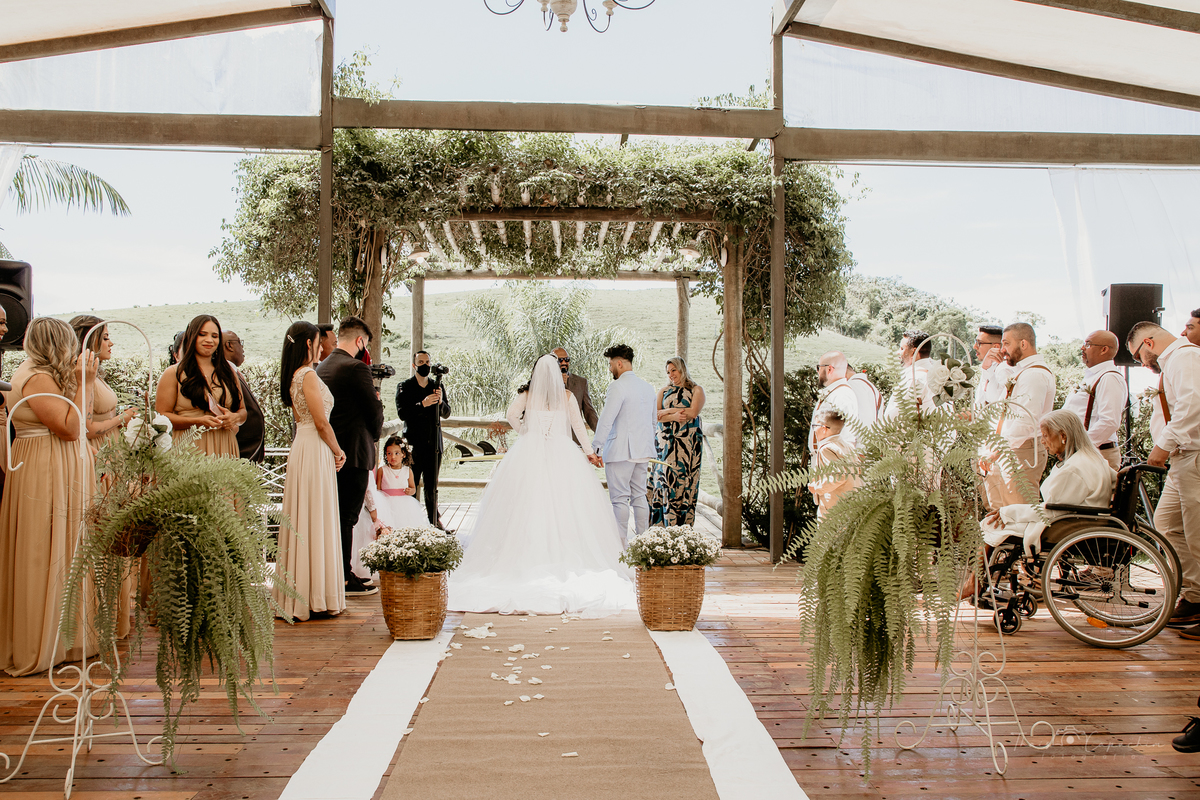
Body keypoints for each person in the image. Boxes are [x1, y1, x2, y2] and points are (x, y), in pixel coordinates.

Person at [448, 354, 634, 616]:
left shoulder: (528, 394)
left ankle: (522, 554)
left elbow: (511, 414)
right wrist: (590, 452)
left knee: (526, 503)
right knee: (566, 505)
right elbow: (579, 427)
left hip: (529, 451)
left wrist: (526, 430)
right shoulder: (567, 397)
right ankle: (562, 554)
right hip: (562, 453)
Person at [0, 318, 100, 676]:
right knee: (43, 550)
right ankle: (39, 642)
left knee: (59, 549)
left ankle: (62, 638)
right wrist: (85, 382)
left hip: (54, 464)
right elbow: (69, 427)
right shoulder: (37, 376)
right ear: (58, 343)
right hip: (44, 468)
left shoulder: (39, 374)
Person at [1124, 322, 1200, 635]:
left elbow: (1192, 403)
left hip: (1193, 455)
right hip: (1182, 459)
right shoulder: (1174, 363)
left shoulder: (1184, 357)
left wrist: (1162, 447)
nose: (1142, 364)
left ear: (1149, 342)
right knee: (1167, 524)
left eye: (1139, 356)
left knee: (1197, 533)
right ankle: (1195, 595)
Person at [273, 322, 347, 620]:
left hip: (301, 447)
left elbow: (303, 419)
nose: (321, 347)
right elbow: (320, 422)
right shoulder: (308, 376)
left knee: (305, 517)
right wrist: (338, 450)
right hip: (315, 447)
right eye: (318, 342)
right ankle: (316, 594)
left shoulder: (293, 376)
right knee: (315, 515)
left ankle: (301, 592)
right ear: (308, 344)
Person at [981, 410, 1115, 556]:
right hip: (1083, 520)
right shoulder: (1094, 459)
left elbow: (1052, 511)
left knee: (989, 524)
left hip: (1068, 526)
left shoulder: (1074, 469)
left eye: (1045, 435)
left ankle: (976, 578)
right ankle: (977, 578)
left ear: (1063, 436)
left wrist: (1007, 511)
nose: (1042, 441)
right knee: (996, 522)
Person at [316, 316, 383, 597]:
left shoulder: (323, 366)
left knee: (336, 515)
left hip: (329, 451)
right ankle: (344, 578)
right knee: (347, 517)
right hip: (354, 452)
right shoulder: (357, 368)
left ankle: (340, 573)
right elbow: (373, 413)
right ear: (360, 341)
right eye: (365, 343)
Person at [980, 322, 1056, 510]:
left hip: (1020, 451)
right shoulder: (1021, 371)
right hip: (1008, 450)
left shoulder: (1035, 375)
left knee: (1017, 514)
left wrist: (997, 451)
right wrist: (989, 368)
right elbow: (994, 400)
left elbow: (1026, 421)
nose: (1002, 349)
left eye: (1006, 344)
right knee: (1000, 514)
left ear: (1023, 344)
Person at [591, 343, 657, 545]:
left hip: (621, 451)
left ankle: (621, 546)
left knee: (619, 498)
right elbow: (653, 421)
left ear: (619, 363)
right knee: (639, 496)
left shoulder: (617, 386)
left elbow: (606, 419)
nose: (610, 368)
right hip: (643, 450)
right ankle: (643, 543)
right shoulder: (648, 387)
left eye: (611, 364)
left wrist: (596, 448)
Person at [155, 315, 245, 457]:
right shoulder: (173, 373)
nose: (209, 340)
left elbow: (242, 411)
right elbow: (162, 417)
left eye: (214, 336)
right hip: (189, 447)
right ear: (191, 337)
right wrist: (197, 422)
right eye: (202, 334)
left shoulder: (228, 372)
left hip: (225, 446)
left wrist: (234, 418)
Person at [350, 436, 430, 581]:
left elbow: (413, 488)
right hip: (386, 503)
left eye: (396, 453)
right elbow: (377, 489)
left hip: (404, 504)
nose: (392, 457)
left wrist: (409, 491)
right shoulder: (382, 470)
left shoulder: (408, 471)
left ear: (404, 454)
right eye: (389, 453)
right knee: (390, 529)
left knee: (404, 527)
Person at [395, 350, 452, 528]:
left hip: (433, 443)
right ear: (414, 365)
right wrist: (423, 404)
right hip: (413, 444)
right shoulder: (404, 386)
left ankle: (434, 522)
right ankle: (410, 522)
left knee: (431, 485)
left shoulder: (437, 385)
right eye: (421, 362)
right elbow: (403, 413)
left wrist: (440, 402)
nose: (425, 365)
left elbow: (447, 413)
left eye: (427, 362)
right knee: (411, 484)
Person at [69, 315, 137, 457]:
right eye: (105, 338)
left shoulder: (94, 373)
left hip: (111, 444)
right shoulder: (82, 376)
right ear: (89, 341)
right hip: (98, 448)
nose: (111, 343)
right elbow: (87, 428)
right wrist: (122, 418)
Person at [649, 357, 705, 526]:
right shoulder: (663, 391)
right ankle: (662, 524)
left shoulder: (696, 390)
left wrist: (669, 410)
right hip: (665, 442)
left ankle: (682, 526)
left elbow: (693, 412)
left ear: (682, 369)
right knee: (665, 478)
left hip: (688, 443)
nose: (671, 374)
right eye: (668, 372)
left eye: (674, 370)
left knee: (685, 479)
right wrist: (673, 416)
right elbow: (655, 415)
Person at [1061, 330, 1127, 470]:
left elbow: (1109, 421)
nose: (1082, 348)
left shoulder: (1109, 378)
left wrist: (1080, 446)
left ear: (1104, 349)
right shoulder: (1094, 375)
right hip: (1084, 452)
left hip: (1096, 453)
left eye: (1088, 344)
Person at [808, 408, 860, 519]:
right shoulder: (847, 447)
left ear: (823, 428)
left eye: (815, 426)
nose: (814, 430)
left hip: (834, 508)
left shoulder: (827, 449)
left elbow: (839, 475)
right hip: (850, 504)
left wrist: (817, 487)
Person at [223, 330, 266, 463]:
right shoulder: (224, 374)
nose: (242, 348)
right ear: (229, 345)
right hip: (237, 454)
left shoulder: (234, 372)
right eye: (240, 343)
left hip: (249, 455)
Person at [808, 351, 861, 455]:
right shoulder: (836, 392)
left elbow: (840, 433)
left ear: (829, 369)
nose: (818, 372)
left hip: (833, 457)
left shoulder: (842, 395)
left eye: (819, 367)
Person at [882, 330, 932, 419]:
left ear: (914, 352)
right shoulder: (940, 373)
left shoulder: (914, 379)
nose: (898, 352)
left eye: (902, 349)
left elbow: (894, 417)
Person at [553, 346, 598, 443]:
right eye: (560, 360)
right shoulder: (544, 384)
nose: (564, 363)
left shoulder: (581, 382)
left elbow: (589, 412)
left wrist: (601, 434)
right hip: (552, 440)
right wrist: (559, 385)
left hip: (575, 440)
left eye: (567, 359)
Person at [973, 324, 1010, 405]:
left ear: (995, 347)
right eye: (975, 342)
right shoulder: (989, 367)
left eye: (979, 343)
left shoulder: (1005, 370)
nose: (975, 346)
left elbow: (995, 404)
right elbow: (979, 403)